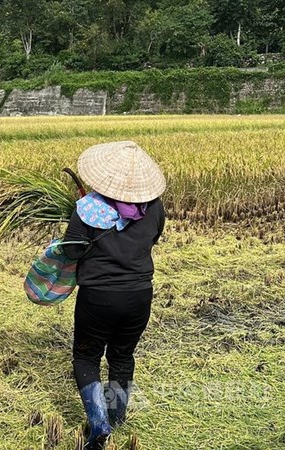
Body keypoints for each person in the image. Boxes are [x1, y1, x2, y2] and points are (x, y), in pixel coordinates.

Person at [62, 141, 166, 450]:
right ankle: (117, 418)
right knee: (122, 356)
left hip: (99, 297)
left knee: (86, 357)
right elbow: (154, 237)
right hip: (139, 295)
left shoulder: (88, 209)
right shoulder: (155, 206)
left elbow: (71, 251)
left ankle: (99, 423)